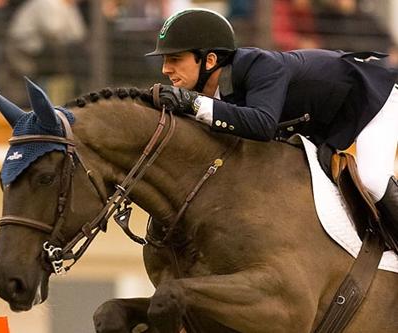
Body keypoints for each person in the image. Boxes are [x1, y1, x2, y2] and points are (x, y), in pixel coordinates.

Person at [145, 8, 398, 251]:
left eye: (175, 59)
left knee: (371, 181)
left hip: (373, 101)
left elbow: (262, 125)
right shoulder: (216, 91)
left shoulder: (260, 65)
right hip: (330, 123)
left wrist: (194, 104)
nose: (165, 69)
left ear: (210, 60)